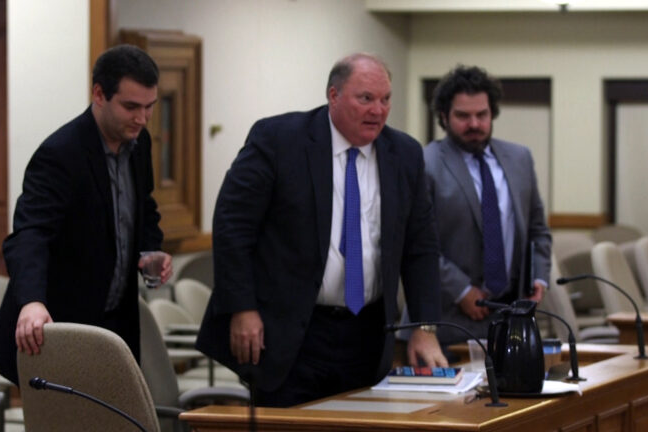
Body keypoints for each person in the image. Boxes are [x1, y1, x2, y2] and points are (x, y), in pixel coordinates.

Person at [196, 53, 447, 407]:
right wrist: (242, 308)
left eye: (386, 99)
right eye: (366, 99)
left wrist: (424, 328)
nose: (378, 110)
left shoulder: (403, 153)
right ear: (334, 95)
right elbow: (232, 227)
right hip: (290, 332)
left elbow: (421, 246)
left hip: (368, 333)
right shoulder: (279, 140)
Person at [0, 45, 173, 385]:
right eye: (131, 107)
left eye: (149, 107)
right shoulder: (60, 154)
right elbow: (31, 233)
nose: (142, 118)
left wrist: (151, 250)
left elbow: (144, 206)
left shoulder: (140, 144)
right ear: (99, 94)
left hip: (115, 322)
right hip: (60, 326)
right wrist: (31, 301)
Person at [423, 65, 551, 344]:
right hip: (448, 320)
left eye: (482, 114)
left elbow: (538, 231)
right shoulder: (426, 163)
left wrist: (539, 279)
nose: (474, 124)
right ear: (444, 116)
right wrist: (461, 290)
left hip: (511, 316)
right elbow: (420, 244)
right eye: (463, 116)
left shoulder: (520, 159)